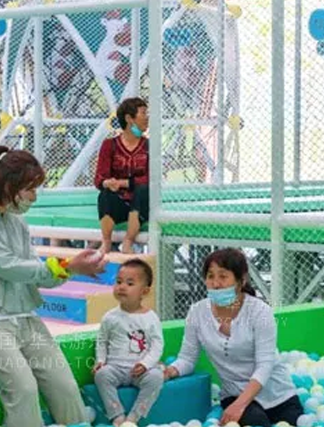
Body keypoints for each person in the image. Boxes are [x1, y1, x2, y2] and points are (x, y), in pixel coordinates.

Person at [0, 145, 107, 427]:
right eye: (30, 189)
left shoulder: (16, 223)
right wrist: (68, 265)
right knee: (23, 387)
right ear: (9, 185)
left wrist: (73, 269)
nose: (34, 197)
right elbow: (8, 266)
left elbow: (35, 273)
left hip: (23, 318)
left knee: (64, 385)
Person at [165, 248, 303, 427]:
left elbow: (264, 365)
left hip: (277, 394)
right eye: (210, 276)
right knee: (257, 423)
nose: (215, 284)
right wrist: (169, 371)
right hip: (234, 394)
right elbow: (187, 358)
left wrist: (240, 405)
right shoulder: (197, 313)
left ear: (241, 280)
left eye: (223, 276)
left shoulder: (260, 312)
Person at [92, 258, 164, 426]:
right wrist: (100, 361)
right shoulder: (110, 317)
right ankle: (117, 415)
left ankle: (133, 418)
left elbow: (157, 345)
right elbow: (102, 341)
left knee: (156, 377)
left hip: (139, 371)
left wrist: (146, 364)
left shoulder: (150, 318)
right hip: (115, 368)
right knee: (101, 375)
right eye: (118, 282)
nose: (122, 287)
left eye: (130, 283)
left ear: (144, 291)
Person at [94, 97, 149, 255]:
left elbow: (151, 178)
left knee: (142, 191)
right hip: (121, 202)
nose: (147, 118)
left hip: (141, 204)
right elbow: (99, 178)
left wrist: (124, 183)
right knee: (105, 195)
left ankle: (128, 241)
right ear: (129, 118)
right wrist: (108, 183)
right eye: (143, 113)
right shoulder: (109, 145)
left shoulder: (148, 146)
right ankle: (106, 242)